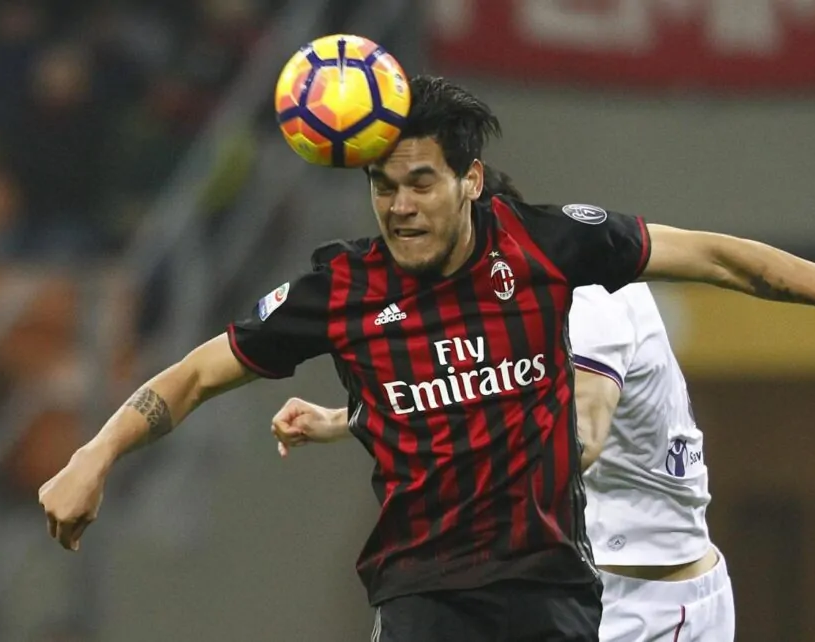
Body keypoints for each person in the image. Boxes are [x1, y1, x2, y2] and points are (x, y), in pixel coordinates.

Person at [38, 75, 815, 642]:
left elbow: (722, 258)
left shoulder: (545, 248)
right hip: (423, 596)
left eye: (420, 182)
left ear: (470, 181)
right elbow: (196, 374)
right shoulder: (343, 290)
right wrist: (95, 454)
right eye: (382, 186)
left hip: (552, 593)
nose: (399, 205)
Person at [270, 166, 734, 641]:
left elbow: (581, 438)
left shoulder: (587, 293)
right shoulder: (501, 312)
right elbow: (487, 400)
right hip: (575, 587)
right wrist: (350, 418)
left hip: (647, 604)